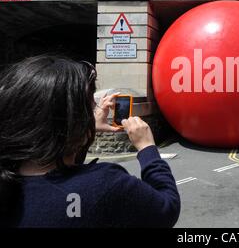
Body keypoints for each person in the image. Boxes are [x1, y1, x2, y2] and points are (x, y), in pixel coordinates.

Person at [0, 55, 180, 227]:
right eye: (90, 106)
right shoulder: (105, 184)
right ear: (76, 124)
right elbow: (167, 208)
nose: (95, 110)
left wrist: (86, 128)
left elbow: (63, 164)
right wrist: (147, 148)